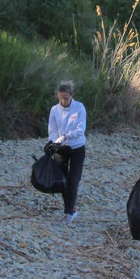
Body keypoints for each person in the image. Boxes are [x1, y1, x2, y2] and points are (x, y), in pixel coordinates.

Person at [48, 82, 87, 224]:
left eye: (65, 98)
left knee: (73, 180)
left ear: (71, 96)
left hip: (77, 147)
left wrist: (65, 136)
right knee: (62, 180)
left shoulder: (79, 108)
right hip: (61, 148)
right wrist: (52, 141)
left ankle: (69, 212)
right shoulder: (54, 109)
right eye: (60, 98)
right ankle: (70, 208)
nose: (63, 101)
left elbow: (80, 129)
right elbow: (52, 128)